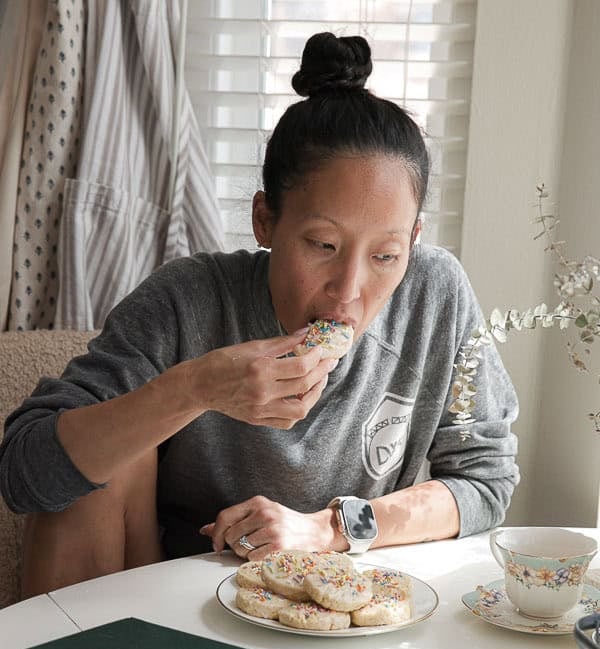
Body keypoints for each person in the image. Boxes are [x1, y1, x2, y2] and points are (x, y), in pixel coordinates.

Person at [0, 32, 519, 597]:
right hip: (172, 596)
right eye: (322, 245)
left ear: (414, 243)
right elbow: (25, 477)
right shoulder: (188, 298)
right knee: (103, 450)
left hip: (334, 594)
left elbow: (484, 481)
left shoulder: (436, 296)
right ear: (265, 220)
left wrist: (329, 529)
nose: (348, 290)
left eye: (386, 256)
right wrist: (192, 389)